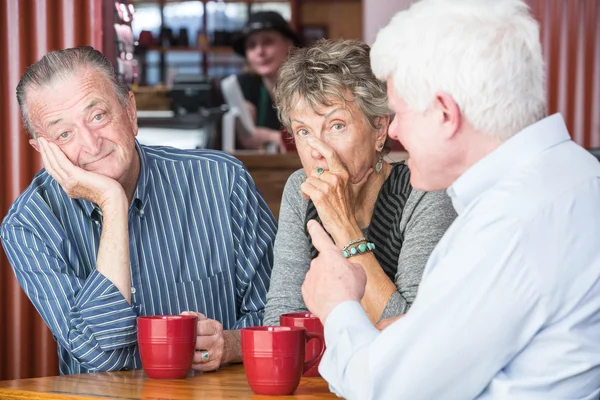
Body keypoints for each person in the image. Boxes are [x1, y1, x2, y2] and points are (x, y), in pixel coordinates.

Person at [301, 0, 600, 399]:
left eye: (400, 113)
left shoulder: (511, 222)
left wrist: (338, 305)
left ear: (445, 113)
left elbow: (387, 391)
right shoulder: (575, 175)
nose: (394, 134)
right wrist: (413, 335)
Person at [0, 46, 277, 375]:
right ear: (43, 151)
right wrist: (112, 202)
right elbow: (103, 355)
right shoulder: (29, 225)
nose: (91, 144)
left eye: (98, 116)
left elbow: (279, 314)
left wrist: (230, 344)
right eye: (64, 134)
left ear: (130, 112)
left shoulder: (221, 181)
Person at [263, 39, 456, 327]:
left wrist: (342, 226)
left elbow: (415, 336)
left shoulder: (424, 192)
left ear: (379, 128)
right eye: (303, 131)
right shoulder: (300, 189)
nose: (317, 148)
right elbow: (281, 319)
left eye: (336, 125)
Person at [231, 11, 300, 153]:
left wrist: (271, 136)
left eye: (268, 42)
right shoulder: (246, 84)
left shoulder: (308, 82)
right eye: (251, 45)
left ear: (289, 44)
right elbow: (247, 137)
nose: (260, 52)